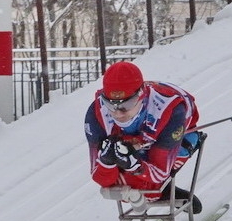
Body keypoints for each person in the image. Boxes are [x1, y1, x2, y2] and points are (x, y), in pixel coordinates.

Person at [84, 61, 203, 213]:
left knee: (148, 183)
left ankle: (160, 191)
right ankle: (151, 190)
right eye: (110, 104)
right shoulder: (96, 114)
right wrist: (106, 163)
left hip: (170, 133)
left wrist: (136, 166)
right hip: (136, 139)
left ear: (141, 95)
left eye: (126, 105)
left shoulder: (170, 111)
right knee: (117, 179)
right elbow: (100, 178)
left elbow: (160, 172)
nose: (118, 113)